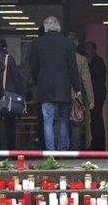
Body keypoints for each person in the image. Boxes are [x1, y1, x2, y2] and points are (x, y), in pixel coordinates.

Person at [29, 17, 80, 151]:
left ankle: (50, 152)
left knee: (48, 121)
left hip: (44, 87)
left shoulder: (37, 43)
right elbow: (72, 67)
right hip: (63, 86)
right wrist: (77, 88)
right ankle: (63, 150)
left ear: (45, 27)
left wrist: (36, 80)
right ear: (58, 27)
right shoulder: (67, 43)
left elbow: (33, 66)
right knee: (63, 120)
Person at [0, 38, 24, 150]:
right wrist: (21, 96)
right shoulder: (8, 59)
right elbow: (17, 79)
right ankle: (10, 149)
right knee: (9, 125)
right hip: (8, 98)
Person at [67, 33, 94, 150]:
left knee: (60, 124)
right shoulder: (82, 60)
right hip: (76, 97)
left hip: (59, 96)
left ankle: (62, 152)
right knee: (76, 124)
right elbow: (86, 81)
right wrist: (91, 100)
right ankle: (75, 151)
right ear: (77, 44)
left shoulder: (59, 57)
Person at [85, 41, 107, 150]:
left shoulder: (97, 62)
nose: (86, 51)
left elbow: (95, 78)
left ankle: (98, 144)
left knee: (96, 118)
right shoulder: (95, 61)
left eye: (88, 48)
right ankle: (96, 143)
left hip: (97, 94)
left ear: (94, 50)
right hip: (95, 93)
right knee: (95, 118)